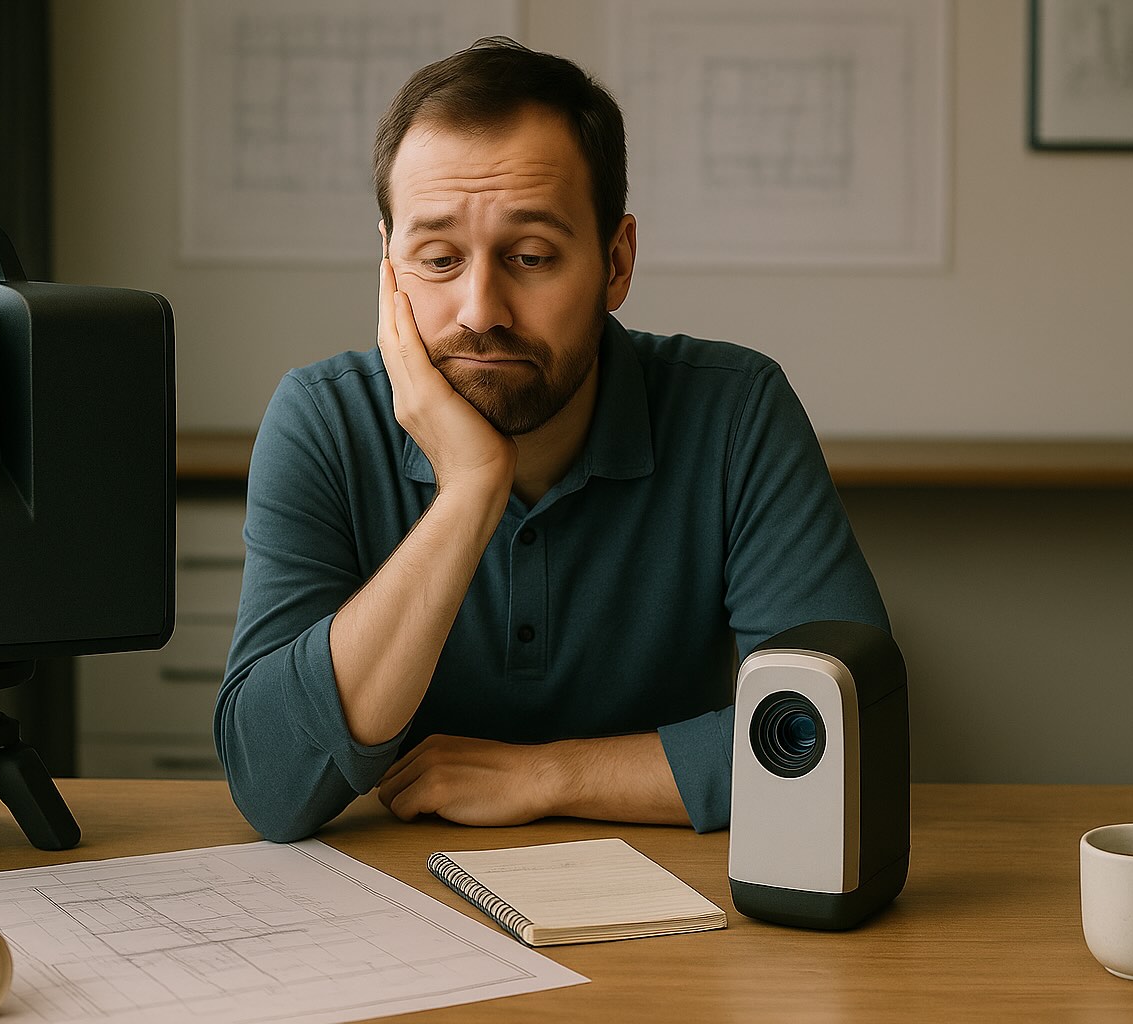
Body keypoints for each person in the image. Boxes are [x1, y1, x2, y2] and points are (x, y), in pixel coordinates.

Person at [215, 37, 888, 843]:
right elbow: (271, 783)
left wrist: (550, 774)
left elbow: (845, 733)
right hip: (391, 893)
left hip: (673, 889)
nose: (481, 310)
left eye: (531, 257)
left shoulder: (736, 412)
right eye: (438, 259)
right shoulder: (322, 420)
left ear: (616, 261)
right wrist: (471, 489)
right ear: (388, 270)